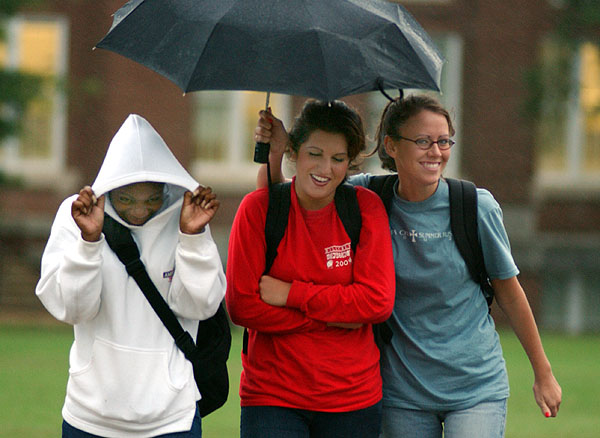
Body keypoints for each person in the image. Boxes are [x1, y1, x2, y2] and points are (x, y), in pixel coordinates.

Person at [255, 94, 562, 438]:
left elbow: (510, 293)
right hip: (402, 390)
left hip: (475, 387)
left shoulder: (475, 207)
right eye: (423, 141)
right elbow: (290, 200)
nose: (436, 151)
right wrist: (275, 153)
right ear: (392, 145)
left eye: (444, 141)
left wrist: (543, 372)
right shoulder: (367, 199)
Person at [35, 114, 226, 437]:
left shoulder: (184, 216)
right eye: (126, 200)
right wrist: (88, 243)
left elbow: (200, 306)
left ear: (164, 190)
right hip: (91, 416)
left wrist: (192, 238)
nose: (139, 211)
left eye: (151, 199)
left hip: (171, 417)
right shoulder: (77, 214)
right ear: (110, 188)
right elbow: (73, 309)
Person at [226, 100, 396, 438]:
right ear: (294, 152)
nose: (325, 168)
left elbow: (376, 302)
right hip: (273, 396)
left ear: (350, 163)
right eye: (314, 154)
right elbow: (243, 306)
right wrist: (340, 315)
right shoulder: (258, 210)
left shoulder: (365, 209)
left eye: (338, 159)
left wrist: (290, 293)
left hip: (353, 399)